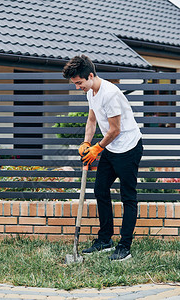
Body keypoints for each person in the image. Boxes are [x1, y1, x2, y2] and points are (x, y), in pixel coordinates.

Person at [62, 54, 143, 261]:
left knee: (128, 196)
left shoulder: (110, 93)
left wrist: (97, 149)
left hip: (128, 147)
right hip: (112, 148)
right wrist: (86, 143)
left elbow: (115, 130)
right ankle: (105, 239)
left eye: (79, 83)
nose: (78, 87)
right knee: (100, 190)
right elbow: (92, 120)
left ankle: (125, 247)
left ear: (90, 75)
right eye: (75, 84)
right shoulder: (91, 91)